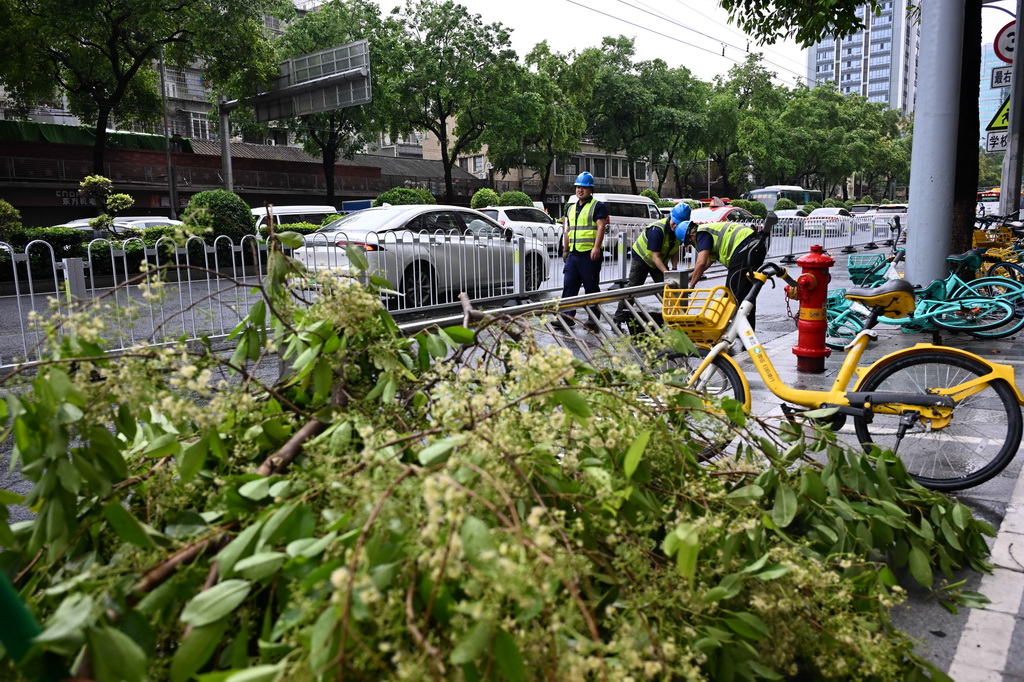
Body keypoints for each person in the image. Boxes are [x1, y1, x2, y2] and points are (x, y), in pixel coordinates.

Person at [679, 216, 769, 330]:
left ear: (691, 236)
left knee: (732, 294)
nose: (692, 245)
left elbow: (701, 263)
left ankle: (734, 330)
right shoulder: (708, 232)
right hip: (756, 246)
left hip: (744, 248)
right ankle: (747, 330)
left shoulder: (701, 234)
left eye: (689, 243)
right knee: (745, 293)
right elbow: (708, 261)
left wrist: (691, 285)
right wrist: (692, 276)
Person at [612, 203, 686, 326]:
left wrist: (674, 269)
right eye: (675, 222)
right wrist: (668, 274)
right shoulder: (657, 230)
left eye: (679, 223)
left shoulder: (680, 230)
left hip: (658, 260)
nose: (676, 226)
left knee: (668, 288)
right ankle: (617, 319)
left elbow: (675, 249)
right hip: (642, 258)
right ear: (671, 216)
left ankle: (674, 320)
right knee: (633, 288)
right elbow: (655, 257)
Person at [561, 171, 608, 331]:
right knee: (569, 286)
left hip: (589, 254)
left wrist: (596, 247)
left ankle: (593, 320)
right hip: (574, 255)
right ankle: (566, 317)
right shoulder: (571, 208)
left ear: (591, 189)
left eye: (584, 187)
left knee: (591, 287)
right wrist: (565, 249)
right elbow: (568, 229)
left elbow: (601, 226)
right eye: (578, 187)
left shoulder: (598, 206)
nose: (580, 190)